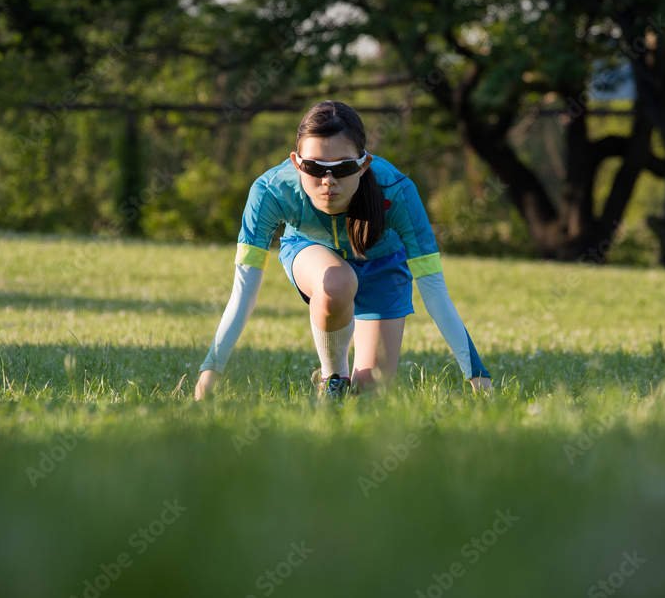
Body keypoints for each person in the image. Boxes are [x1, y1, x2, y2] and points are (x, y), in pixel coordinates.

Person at [194, 100, 492, 400]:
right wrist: (212, 369)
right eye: (314, 167)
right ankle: (333, 377)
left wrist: (476, 374)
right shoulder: (271, 191)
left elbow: (435, 293)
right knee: (337, 281)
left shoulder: (397, 191)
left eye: (343, 168)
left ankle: (352, 387)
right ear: (297, 163)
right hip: (311, 251)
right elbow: (243, 291)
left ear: (363, 165)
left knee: (370, 396)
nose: (328, 181)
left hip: (384, 265)